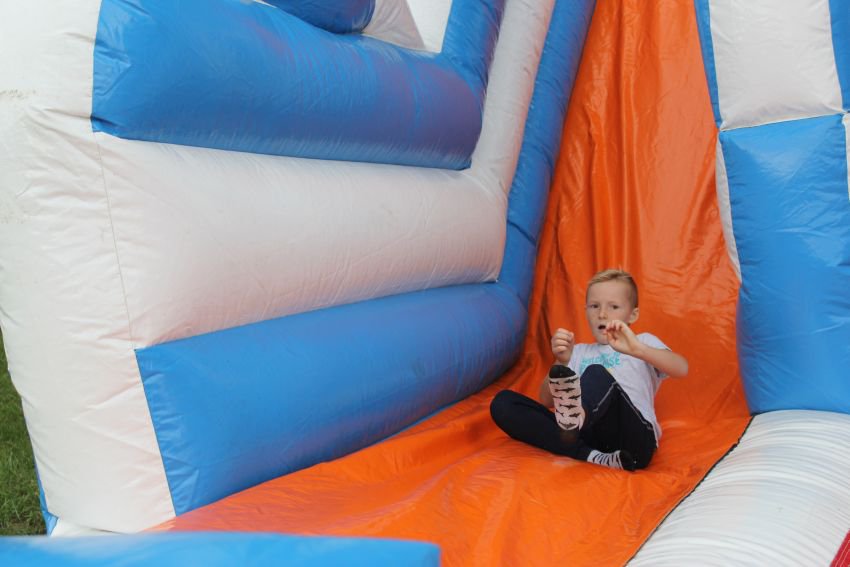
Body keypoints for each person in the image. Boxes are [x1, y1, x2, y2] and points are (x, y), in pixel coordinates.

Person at [490, 269, 688, 471]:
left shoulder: (642, 342)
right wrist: (561, 362)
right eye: (594, 306)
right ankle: (590, 455)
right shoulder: (577, 352)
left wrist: (638, 349)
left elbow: (681, 369)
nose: (602, 314)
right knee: (503, 403)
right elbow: (546, 400)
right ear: (585, 311)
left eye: (614, 307)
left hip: (634, 441)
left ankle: (576, 423)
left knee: (597, 373)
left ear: (633, 314)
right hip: (590, 438)